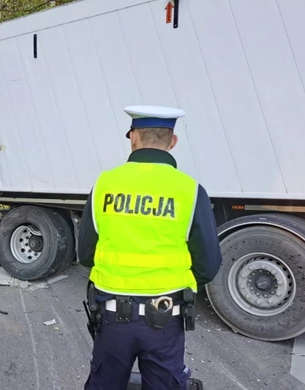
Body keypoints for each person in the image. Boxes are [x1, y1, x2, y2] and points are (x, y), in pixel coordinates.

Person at [78, 105, 222, 390]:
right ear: (173, 142)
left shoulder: (105, 184)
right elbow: (208, 265)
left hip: (111, 318)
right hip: (165, 317)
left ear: (133, 138)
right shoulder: (190, 190)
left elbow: (85, 254)